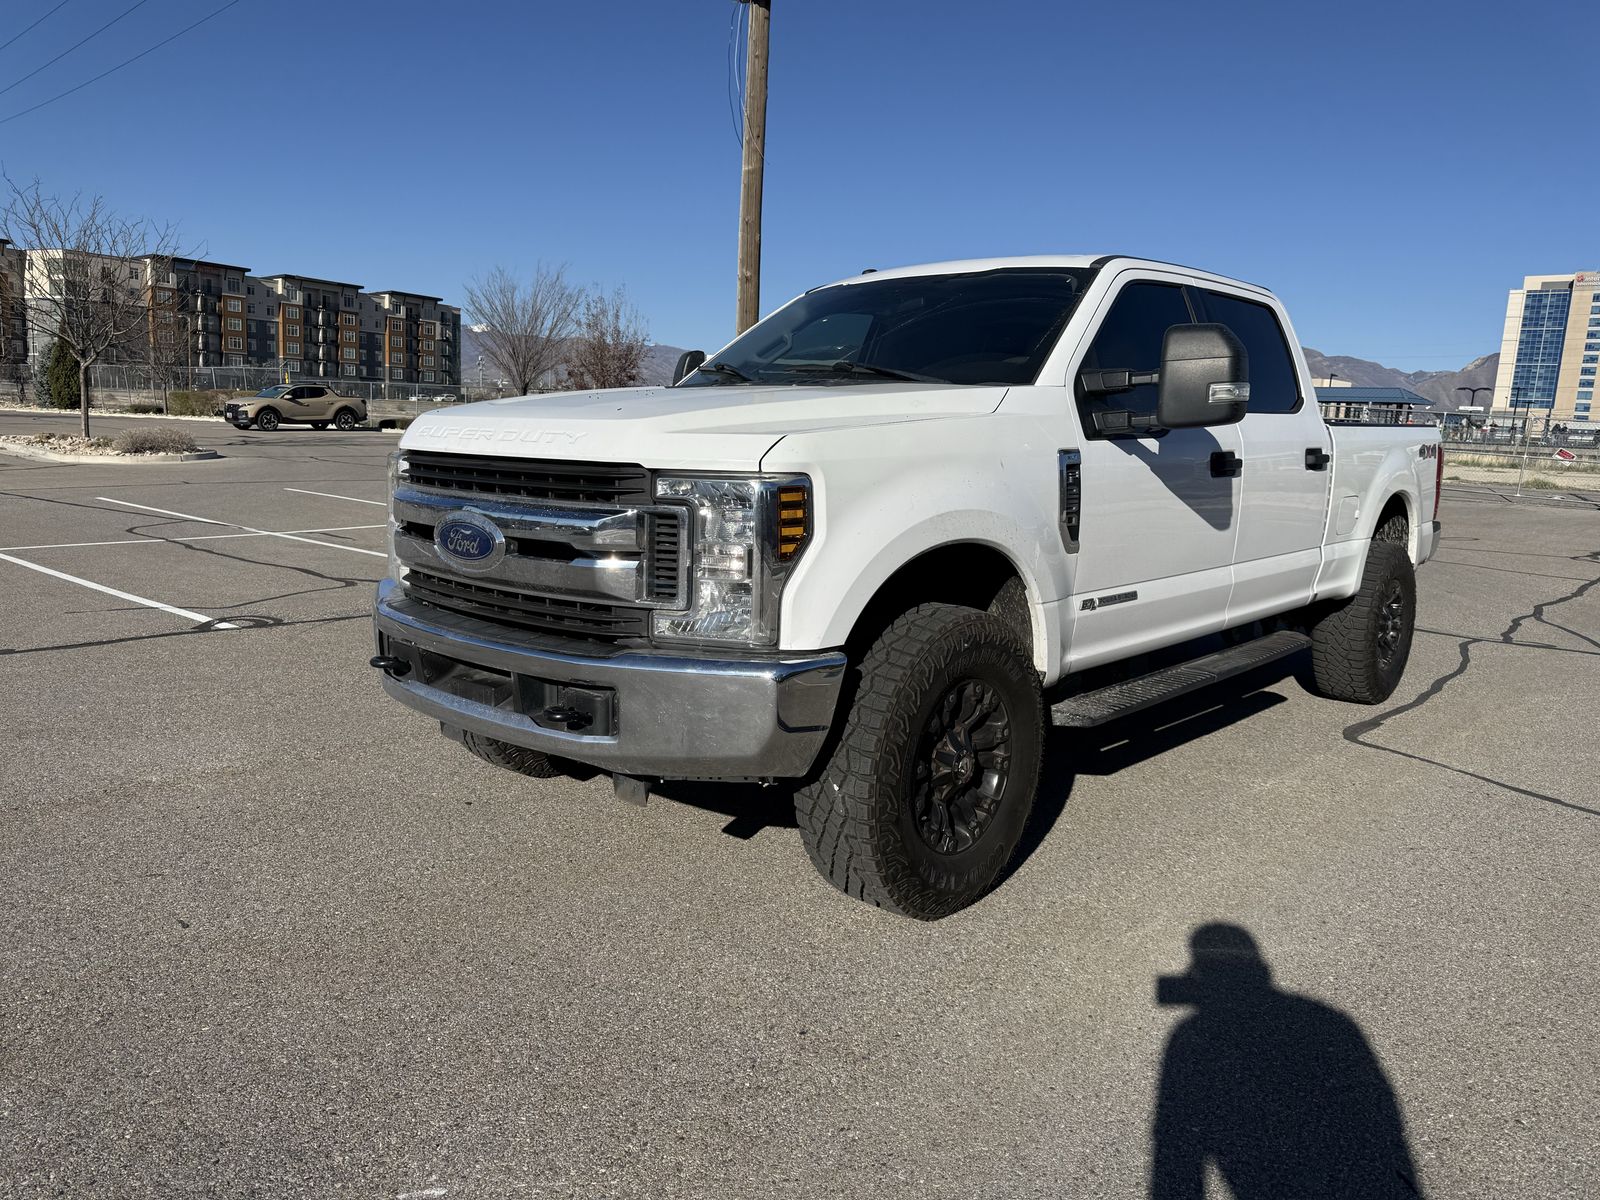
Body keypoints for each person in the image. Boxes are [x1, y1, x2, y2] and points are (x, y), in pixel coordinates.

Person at [1151, 925, 1424, 1199]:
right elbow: (1380, 1117)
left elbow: (1175, 1147)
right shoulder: (1326, 1021)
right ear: (1260, 969)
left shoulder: (1193, 1036)